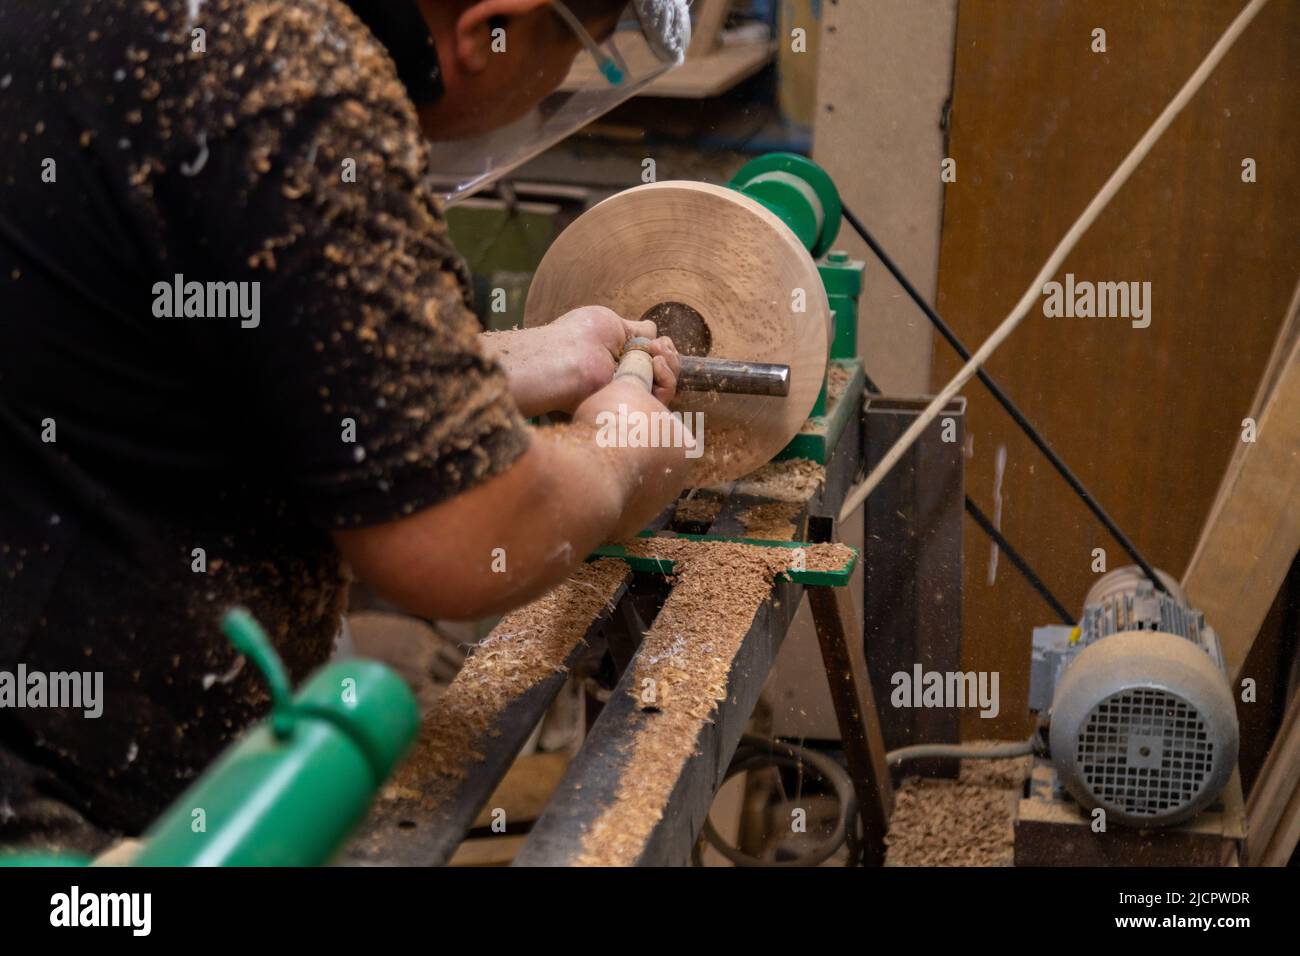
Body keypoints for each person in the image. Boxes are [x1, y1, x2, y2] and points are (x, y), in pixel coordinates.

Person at [0, 0, 692, 850]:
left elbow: (169, 325)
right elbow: (464, 537)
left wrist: (492, 364)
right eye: (578, 55)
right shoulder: (288, 69)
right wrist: (619, 450)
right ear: (487, 30)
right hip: (55, 812)